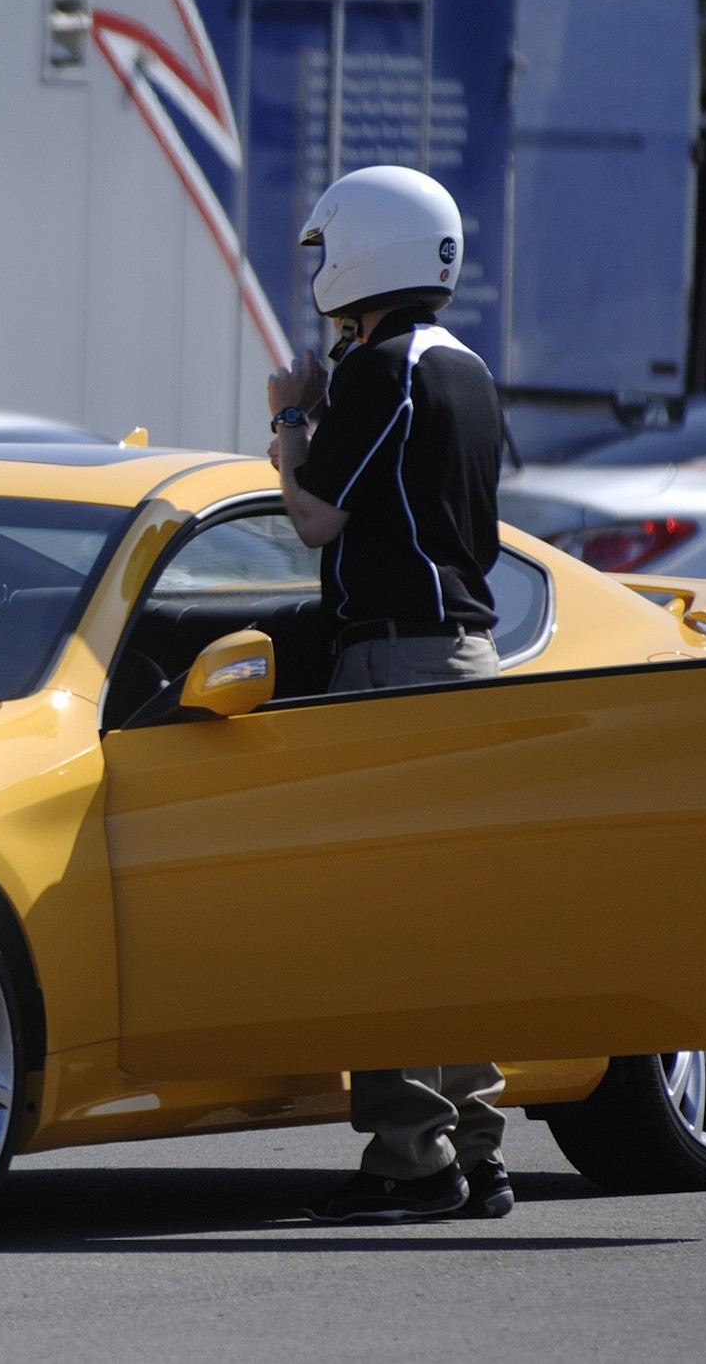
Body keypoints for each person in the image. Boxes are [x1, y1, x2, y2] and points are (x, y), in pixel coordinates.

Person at [267, 166, 512, 1226]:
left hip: (394, 666)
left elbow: (314, 517)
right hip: (468, 660)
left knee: (386, 922)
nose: (321, 272)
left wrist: (288, 420)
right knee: (457, 922)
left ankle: (409, 1160)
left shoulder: (383, 365)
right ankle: (480, 1149)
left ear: (367, 250)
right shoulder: (468, 364)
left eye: (328, 251)